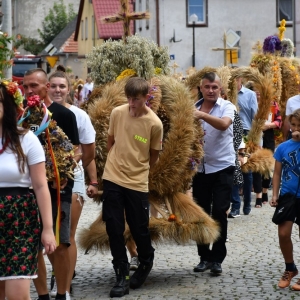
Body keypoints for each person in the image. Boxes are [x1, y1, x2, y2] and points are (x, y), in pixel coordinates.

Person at [102, 77, 163, 297]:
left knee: (139, 228)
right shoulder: (118, 113)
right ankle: (122, 274)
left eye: (136, 99)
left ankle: (146, 259)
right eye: (128, 98)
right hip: (113, 177)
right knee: (114, 227)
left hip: (137, 182)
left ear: (146, 97)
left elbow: (154, 156)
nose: (131, 103)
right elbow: (110, 142)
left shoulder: (154, 124)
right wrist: (114, 162)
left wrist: (137, 167)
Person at [23, 69, 80, 300]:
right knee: (33, 246)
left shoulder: (63, 115)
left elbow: (76, 151)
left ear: (46, 87)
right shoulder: (22, 116)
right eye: (25, 86)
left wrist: (61, 171)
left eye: (33, 86)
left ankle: (62, 293)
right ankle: (43, 295)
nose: (28, 91)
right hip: (29, 189)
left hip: (58, 189)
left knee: (59, 244)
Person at [0, 80, 56, 300]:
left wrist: (48, 229)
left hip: (20, 220)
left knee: (18, 295)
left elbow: (41, 186)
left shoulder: (27, 139)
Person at [47, 71, 98, 296]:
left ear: (69, 90)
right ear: (48, 88)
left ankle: (65, 288)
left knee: (66, 235)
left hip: (71, 176)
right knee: (48, 235)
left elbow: (88, 152)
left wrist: (72, 168)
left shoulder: (79, 115)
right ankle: (60, 270)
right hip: (45, 178)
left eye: (62, 86)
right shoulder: (39, 114)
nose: (58, 90)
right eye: (54, 86)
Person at [193, 72, 236, 274]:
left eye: (214, 87)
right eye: (207, 87)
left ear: (220, 89)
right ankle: (204, 256)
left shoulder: (227, 107)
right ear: (200, 88)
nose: (211, 90)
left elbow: (224, 124)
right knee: (201, 214)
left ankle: (217, 259)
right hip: (200, 168)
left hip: (223, 167)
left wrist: (202, 116)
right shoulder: (192, 108)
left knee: (219, 211)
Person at [270, 108, 300, 290]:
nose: (296, 129)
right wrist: (274, 194)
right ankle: (290, 267)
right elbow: (277, 173)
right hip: (288, 195)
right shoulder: (283, 147)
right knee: (283, 234)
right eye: (294, 125)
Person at [234, 77, 258, 216]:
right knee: (233, 168)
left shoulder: (250, 94)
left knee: (247, 170)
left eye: (235, 79)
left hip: (246, 133)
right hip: (231, 133)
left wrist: (255, 140)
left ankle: (247, 203)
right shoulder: (226, 94)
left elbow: (255, 117)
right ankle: (236, 205)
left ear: (240, 79)